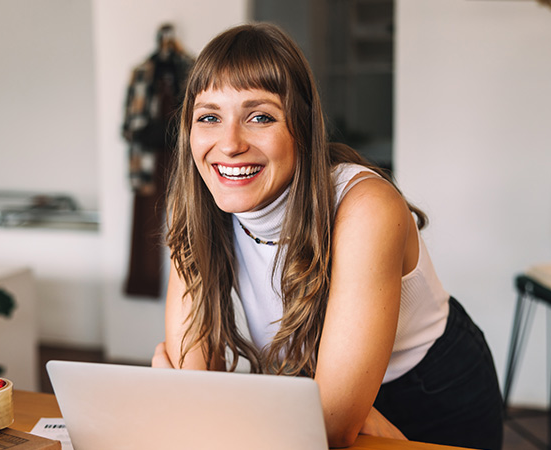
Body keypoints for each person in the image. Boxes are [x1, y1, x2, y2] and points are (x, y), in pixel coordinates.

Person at [151, 22, 503, 450]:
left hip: (429, 394)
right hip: (308, 387)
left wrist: (325, 409)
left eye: (259, 116)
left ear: (302, 127)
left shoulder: (365, 207)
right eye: (209, 117)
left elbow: (329, 427)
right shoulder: (198, 208)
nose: (229, 144)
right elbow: (194, 389)